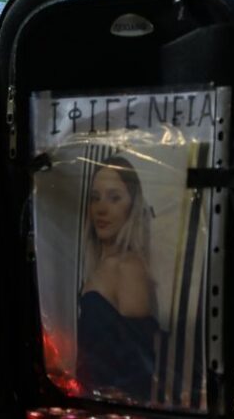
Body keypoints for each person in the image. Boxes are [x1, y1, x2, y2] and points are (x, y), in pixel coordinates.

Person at [76, 155, 158, 402]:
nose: (101, 208)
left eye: (114, 198)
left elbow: (139, 373)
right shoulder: (101, 265)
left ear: (132, 206)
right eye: (95, 197)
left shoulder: (128, 268)